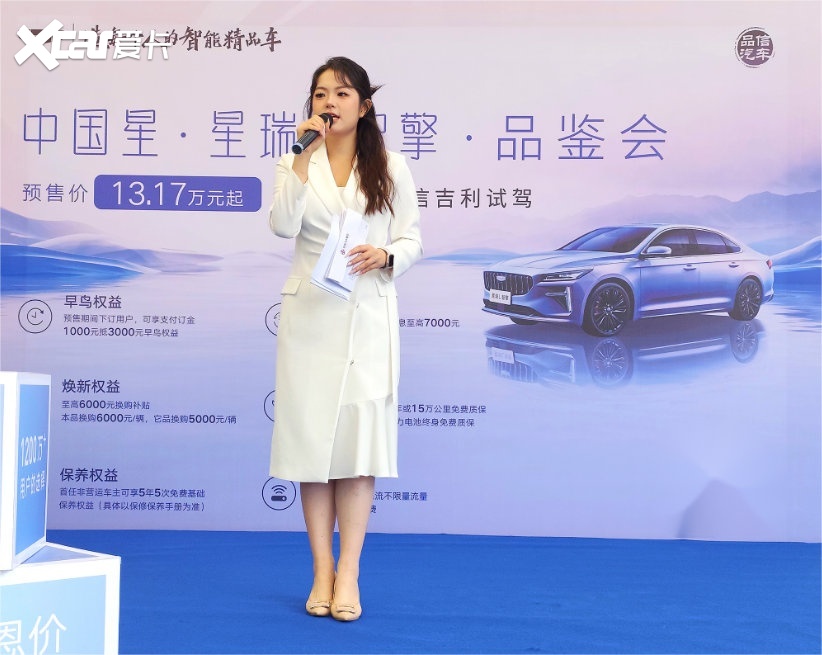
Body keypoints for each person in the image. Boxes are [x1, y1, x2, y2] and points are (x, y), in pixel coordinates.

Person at [268, 57, 423, 622]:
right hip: (311, 318)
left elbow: (413, 239)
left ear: (364, 105)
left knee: (357, 451)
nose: (328, 103)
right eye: (319, 94)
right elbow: (282, 226)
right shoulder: (294, 162)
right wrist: (299, 158)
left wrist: (386, 255)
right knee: (313, 449)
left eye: (341, 93)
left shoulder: (391, 166)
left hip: (366, 317)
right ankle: (321, 570)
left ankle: (350, 572)